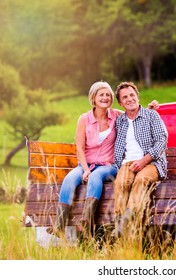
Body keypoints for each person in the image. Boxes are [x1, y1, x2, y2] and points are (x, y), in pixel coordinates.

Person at [46, 81, 121, 239]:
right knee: (70, 179)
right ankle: (59, 225)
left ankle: (87, 221)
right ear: (93, 98)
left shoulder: (116, 115)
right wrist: (85, 169)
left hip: (108, 166)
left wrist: (149, 110)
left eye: (108, 95)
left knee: (95, 177)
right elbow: (79, 148)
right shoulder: (84, 119)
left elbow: (135, 115)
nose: (105, 97)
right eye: (101, 94)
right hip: (86, 164)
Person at [112, 81, 168, 238]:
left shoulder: (151, 115)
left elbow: (161, 140)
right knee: (121, 183)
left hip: (151, 162)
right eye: (125, 97)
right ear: (120, 103)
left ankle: (125, 221)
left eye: (132, 95)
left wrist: (143, 161)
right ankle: (119, 225)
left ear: (137, 97)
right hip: (127, 163)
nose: (129, 99)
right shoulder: (120, 121)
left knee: (141, 180)